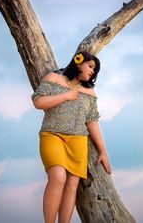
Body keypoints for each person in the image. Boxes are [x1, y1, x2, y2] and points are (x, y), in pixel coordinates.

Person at [31, 51, 112, 223]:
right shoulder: (54, 78)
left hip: (77, 141)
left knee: (72, 186)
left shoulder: (90, 93)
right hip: (52, 135)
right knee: (58, 177)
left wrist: (103, 151)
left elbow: (92, 122)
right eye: (90, 66)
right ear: (78, 61)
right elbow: (38, 102)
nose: (92, 72)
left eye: (95, 70)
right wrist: (65, 96)